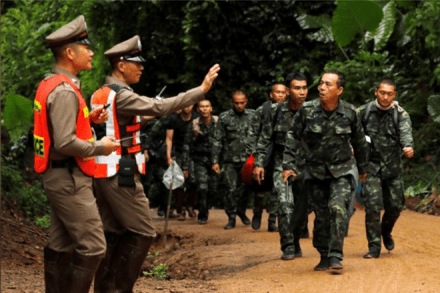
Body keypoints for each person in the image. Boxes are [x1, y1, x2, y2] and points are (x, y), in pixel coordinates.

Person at [90, 35, 220, 292]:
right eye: (136, 63)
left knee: (114, 232)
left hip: (106, 170)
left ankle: (106, 288)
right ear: (120, 65)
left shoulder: (103, 92)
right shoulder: (122, 95)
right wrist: (201, 90)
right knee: (142, 232)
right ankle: (118, 289)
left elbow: (126, 123)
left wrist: (154, 114)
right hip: (121, 171)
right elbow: (158, 106)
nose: (141, 68)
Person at [33, 15, 119, 293]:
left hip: (59, 175)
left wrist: (90, 119)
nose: (92, 52)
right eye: (86, 47)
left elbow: (61, 128)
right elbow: (66, 142)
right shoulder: (65, 91)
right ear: (70, 53)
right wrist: (101, 147)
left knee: (61, 244)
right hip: (69, 177)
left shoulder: (53, 83)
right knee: (94, 246)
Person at [282, 70, 369, 274]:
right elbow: (292, 136)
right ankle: (323, 254)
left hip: (342, 170)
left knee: (337, 208)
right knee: (321, 217)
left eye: (328, 84)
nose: (321, 87)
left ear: (339, 90)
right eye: (321, 83)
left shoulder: (350, 112)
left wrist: (363, 169)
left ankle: (335, 255)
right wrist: (288, 165)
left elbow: (359, 142)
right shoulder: (307, 110)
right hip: (316, 172)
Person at [253, 72, 309, 259]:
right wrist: (259, 163)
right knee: (285, 204)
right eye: (297, 88)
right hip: (281, 163)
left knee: (302, 208)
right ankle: (288, 246)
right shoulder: (276, 112)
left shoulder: (313, 111)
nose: (301, 92)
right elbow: (265, 139)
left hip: (306, 166)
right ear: (287, 90)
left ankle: (296, 239)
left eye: (304, 88)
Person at [359, 79, 414, 259]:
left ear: (394, 95)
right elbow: (353, 133)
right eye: (382, 92)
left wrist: (407, 146)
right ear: (376, 92)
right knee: (372, 207)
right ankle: (374, 247)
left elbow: (406, 132)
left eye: (389, 94)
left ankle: (386, 231)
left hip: (393, 169)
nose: (385, 97)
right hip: (371, 167)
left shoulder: (400, 115)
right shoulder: (364, 112)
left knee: (396, 206)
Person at [246, 83, 287, 232]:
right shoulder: (262, 110)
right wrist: (254, 155)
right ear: (271, 94)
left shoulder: (289, 110)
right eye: (277, 92)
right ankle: (257, 214)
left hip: (280, 154)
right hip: (263, 153)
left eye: (283, 92)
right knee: (260, 189)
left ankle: (272, 220)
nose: (280, 95)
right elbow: (253, 133)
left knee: (278, 189)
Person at [212, 91, 255, 229]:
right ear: (232, 103)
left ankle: (241, 211)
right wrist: (215, 161)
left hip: (248, 160)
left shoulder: (253, 116)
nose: (239, 105)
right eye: (236, 103)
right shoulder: (224, 118)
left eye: (242, 102)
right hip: (230, 160)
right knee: (230, 189)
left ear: (246, 102)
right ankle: (231, 217)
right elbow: (217, 140)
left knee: (246, 189)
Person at [182, 99, 219, 224]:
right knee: (202, 187)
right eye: (202, 107)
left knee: (213, 189)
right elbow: (186, 145)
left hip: (215, 161)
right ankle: (202, 215)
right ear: (198, 110)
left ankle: (205, 207)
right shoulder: (194, 124)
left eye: (207, 106)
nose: (204, 109)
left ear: (211, 108)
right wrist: (185, 166)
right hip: (199, 160)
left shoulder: (218, 122)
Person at [165, 104, 198, 221]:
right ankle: (181, 210)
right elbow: (169, 138)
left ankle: (190, 206)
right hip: (178, 152)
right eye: (185, 104)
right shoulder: (174, 119)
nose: (187, 107)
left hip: (193, 153)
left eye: (190, 104)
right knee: (179, 182)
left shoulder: (196, 117)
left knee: (194, 181)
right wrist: (168, 156)